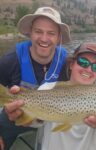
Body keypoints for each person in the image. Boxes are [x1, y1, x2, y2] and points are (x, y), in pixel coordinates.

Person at [0, 6, 71, 150]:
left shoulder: (67, 64)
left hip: (51, 123)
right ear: (30, 33)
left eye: (51, 33)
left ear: (58, 38)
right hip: (13, 120)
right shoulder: (9, 60)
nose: (44, 38)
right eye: (38, 31)